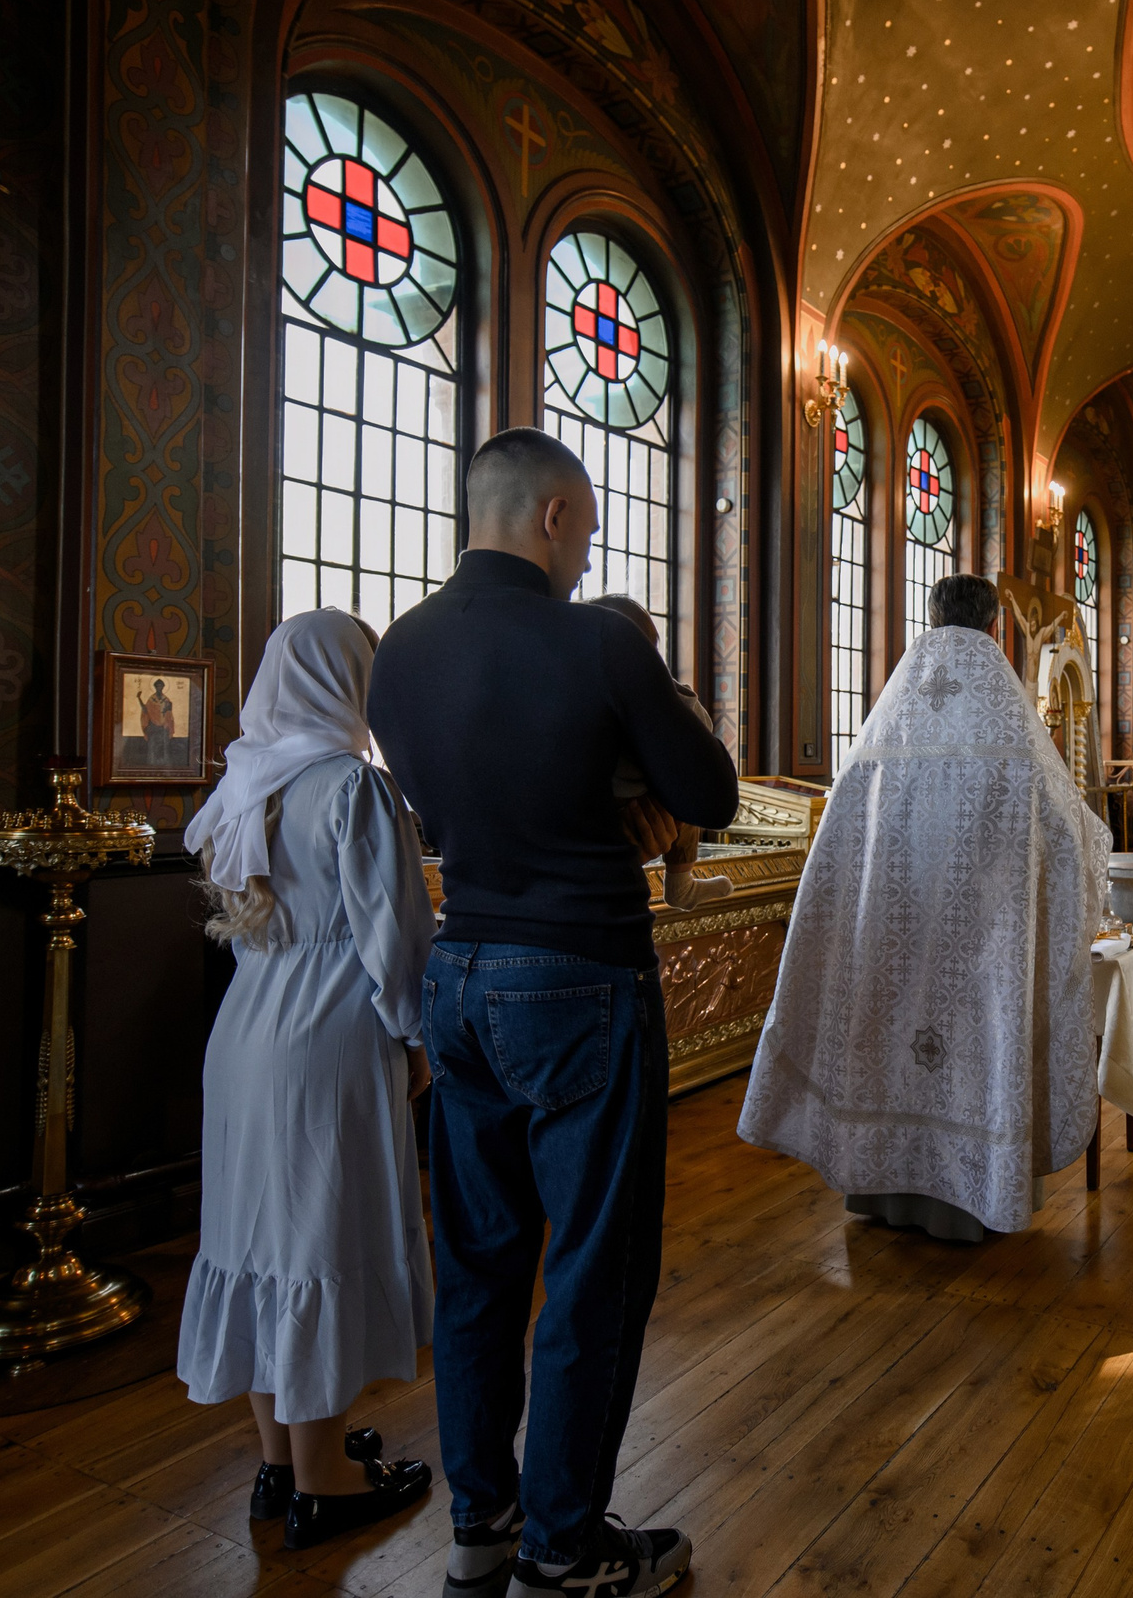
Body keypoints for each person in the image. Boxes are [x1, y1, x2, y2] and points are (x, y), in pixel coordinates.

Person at [368, 426, 738, 1598]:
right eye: (584, 532)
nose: (584, 558)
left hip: (458, 973)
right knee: (593, 1266)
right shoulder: (597, 642)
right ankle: (565, 1545)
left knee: (477, 1262)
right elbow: (711, 789)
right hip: (578, 973)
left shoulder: (399, 650)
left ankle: (482, 1519)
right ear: (555, 515)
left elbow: (441, 809)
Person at [737, 573, 1112, 1243]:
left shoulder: (891, 719)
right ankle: (976, 1197)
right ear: (995, 625)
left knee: (887, 1039)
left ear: (931, 619)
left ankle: (882, 1191)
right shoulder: (1007, 720)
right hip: (988, 943)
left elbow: (841, 832)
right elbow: (1064, 827)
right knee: (978, 1048)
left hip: (890, 935)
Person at [176, 607, 437, 1551]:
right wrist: (417, 1037)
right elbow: (395, 940)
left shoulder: (244, 786)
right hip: (328, 1039)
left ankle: (281, 1459)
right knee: (321, 1237)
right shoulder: (354, 787)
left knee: (255, 1241)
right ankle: (326, 1481)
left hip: (242, 1036)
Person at [582, 593, 733, 912]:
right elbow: (702, 735)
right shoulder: (662, 693)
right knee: (689, 797)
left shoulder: (581, 695)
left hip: (602, 809)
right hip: (647, 804)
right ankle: (680, 883)